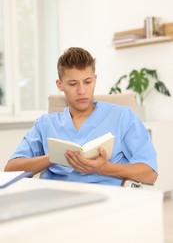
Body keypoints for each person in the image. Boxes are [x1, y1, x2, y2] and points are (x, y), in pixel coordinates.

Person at [4, 47, 158, 186]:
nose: (82, 90)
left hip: (107, 203)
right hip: (57, 201)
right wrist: (52, 157)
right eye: (72, 84)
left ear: (95, 80)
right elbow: (10, 170)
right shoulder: (46, 124)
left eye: (87, 82)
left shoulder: (122, 117)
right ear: (60, 85)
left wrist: (105, 168)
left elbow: (150, 174)